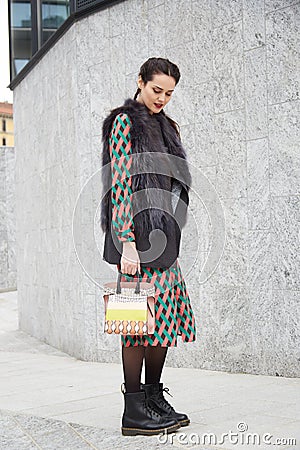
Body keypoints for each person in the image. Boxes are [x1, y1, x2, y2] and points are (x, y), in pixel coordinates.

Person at [100, 57, 196, 436]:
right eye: (157, 90)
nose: (162, 98)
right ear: (139, 82)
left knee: (165, 320)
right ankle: (134, 410)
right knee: (137, 322)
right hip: (135, 236)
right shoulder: (125, 122)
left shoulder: (165, 125)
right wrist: (127, 242)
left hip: (162, 235)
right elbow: (120, 182)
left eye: (169, 93)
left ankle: (154, 399)